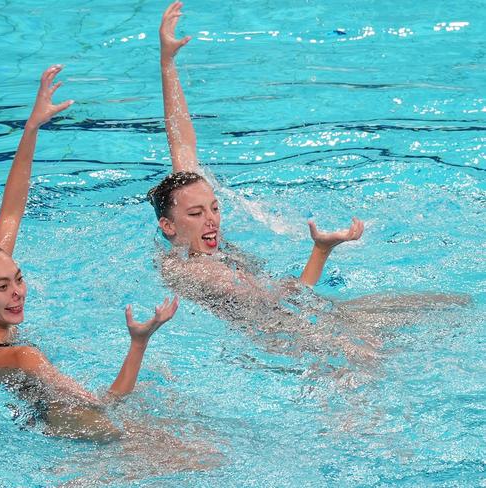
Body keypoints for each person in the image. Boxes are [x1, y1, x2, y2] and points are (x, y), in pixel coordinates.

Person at [148, 3, 467, 365]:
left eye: (215, 207)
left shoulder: (183, 228)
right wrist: (322, 249)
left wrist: (167, 62)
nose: (212, 220)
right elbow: (293, 298)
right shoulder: (195, 270)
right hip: (290, 339)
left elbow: (182, 142)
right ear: (168, 225)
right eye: (197, 213)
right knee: (371, 361)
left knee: (450, 304)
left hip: (315, 316)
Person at [0, 65, 179, 442]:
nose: (18, 292)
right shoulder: (24, 356)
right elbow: (106, 403)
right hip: (72, 424)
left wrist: (32, 128)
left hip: (39, 417)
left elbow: (11, 212)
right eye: (3, 287)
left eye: (18, 279)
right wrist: (140, 341)